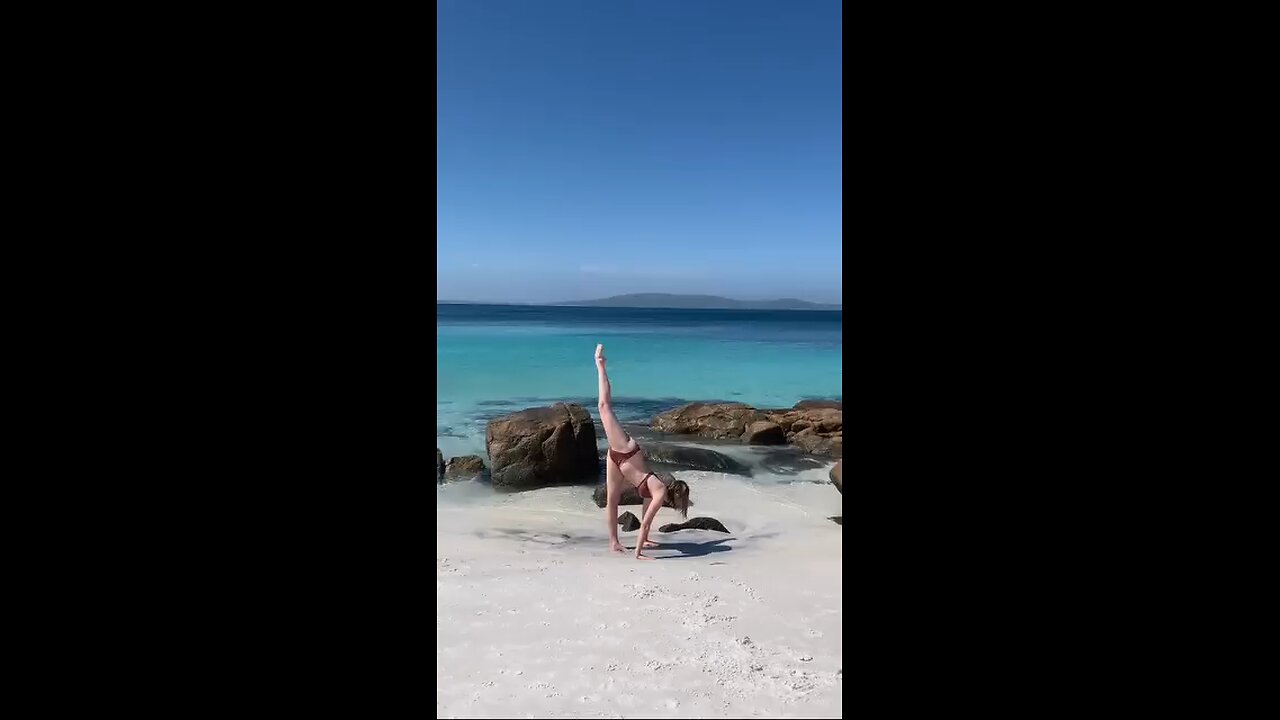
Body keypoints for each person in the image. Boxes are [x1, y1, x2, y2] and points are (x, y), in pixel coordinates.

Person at [595, 343, 692, 559]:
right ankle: (600, 365)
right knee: (604, 407)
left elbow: (645, 517)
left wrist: (645, 539)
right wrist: (638, 554)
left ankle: (613, 542)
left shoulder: (658, 490)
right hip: (627, 451)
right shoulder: (659, 491)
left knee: (612, 500)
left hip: (616, 460)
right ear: (675, 497)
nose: (679, 507)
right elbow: (647, 520)